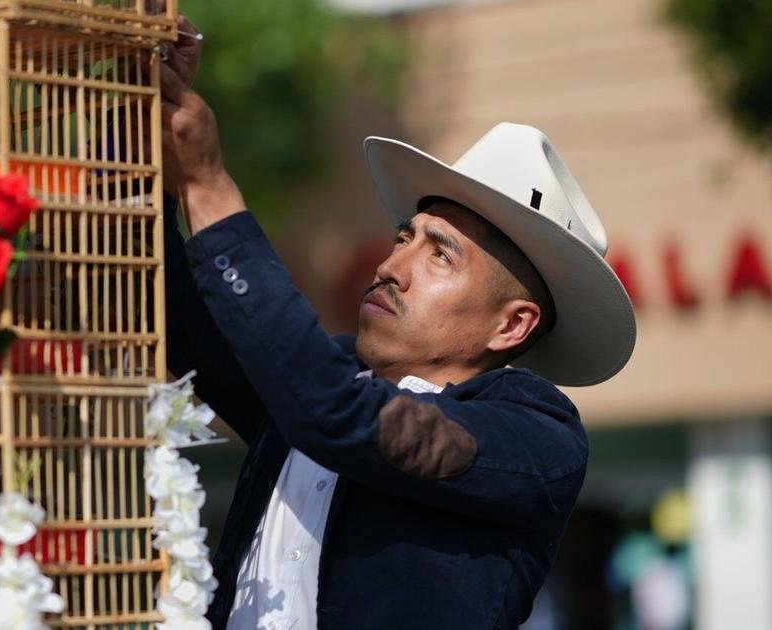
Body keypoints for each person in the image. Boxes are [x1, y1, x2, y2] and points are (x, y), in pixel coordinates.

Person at [158, 14, 636, 630]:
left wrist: (208, 187)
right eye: (403, 238)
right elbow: (171, 306)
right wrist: (142, 114)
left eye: (440, 255)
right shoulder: (319, 382)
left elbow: (335, 412)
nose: (390, 267)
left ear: (512, 326)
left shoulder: (537, 436)